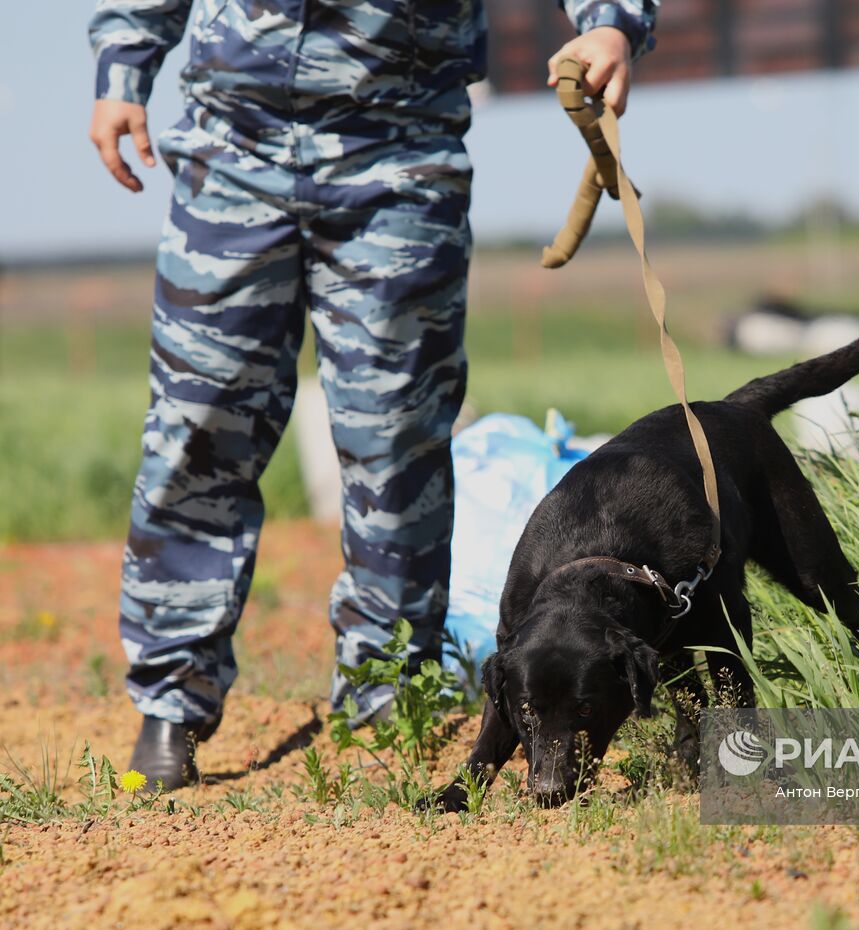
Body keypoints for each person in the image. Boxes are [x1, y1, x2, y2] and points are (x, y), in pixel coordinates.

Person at [88, 0, 657, 790]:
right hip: (232, 145)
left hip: (396, 149)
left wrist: (611, 21)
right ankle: (171, 702)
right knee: (197, 427)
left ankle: (387, 694)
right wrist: (123, 65)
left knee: (396, 443)